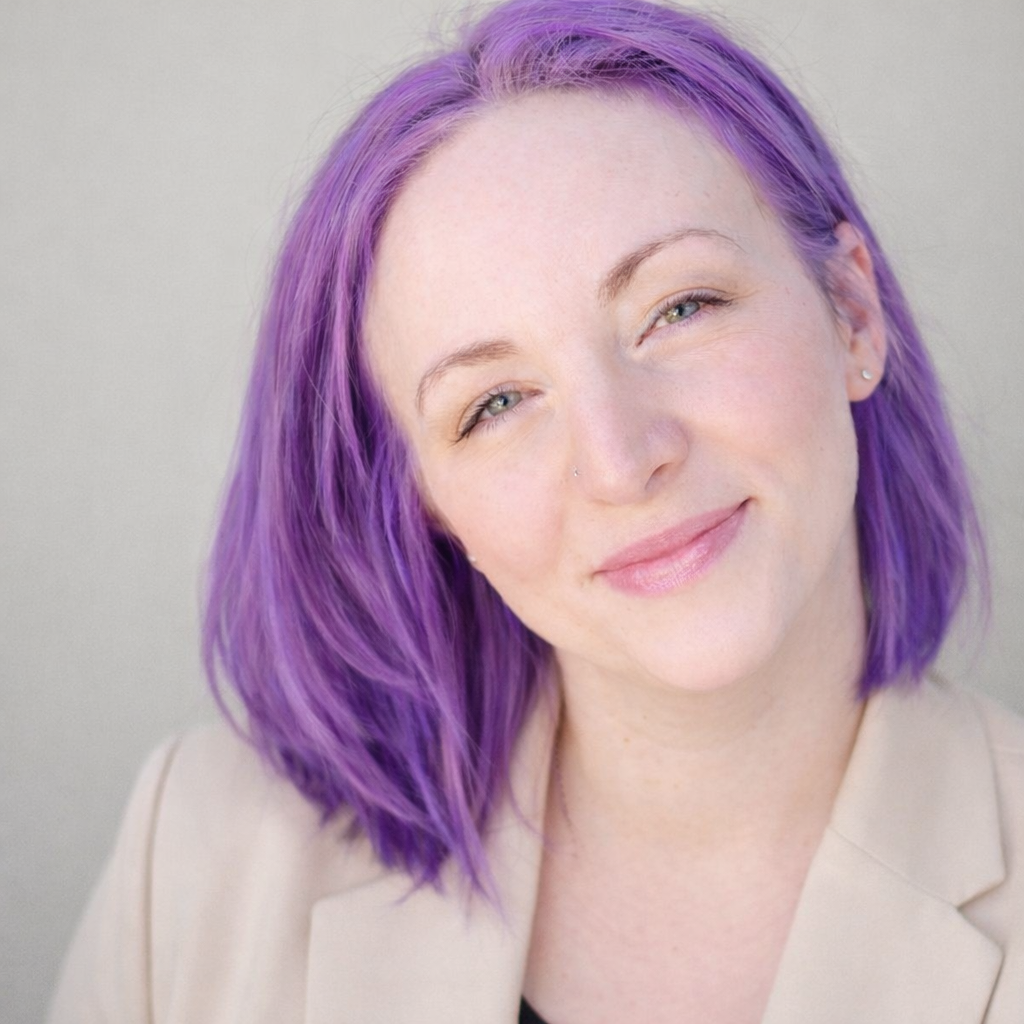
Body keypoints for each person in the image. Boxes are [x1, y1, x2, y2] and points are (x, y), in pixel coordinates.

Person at [48, 0, 1023, 1021]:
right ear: (425, 500)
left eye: (678, 308)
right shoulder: (200, 862)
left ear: (851, 315)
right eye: (495, 404)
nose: (620, 458)